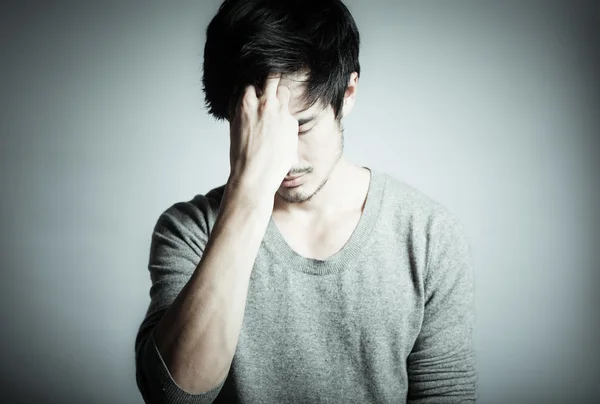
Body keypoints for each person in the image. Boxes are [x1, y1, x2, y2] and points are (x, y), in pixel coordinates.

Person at [134, 0, 478, 402]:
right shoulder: (190, 231)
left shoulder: (428, 236)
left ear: (348, 93)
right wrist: (248, 194)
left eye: (302, 125)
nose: (287, 160)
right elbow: (175, 396)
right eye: (264, 132)